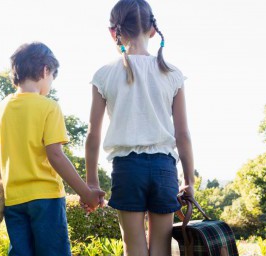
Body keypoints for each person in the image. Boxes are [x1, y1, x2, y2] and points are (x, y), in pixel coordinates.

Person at [84, 0, 196, 255]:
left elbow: (93, 134)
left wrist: (91, 181)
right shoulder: (173, 74)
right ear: (152, 30)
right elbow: (183, 134)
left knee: (133, 247)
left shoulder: (103, 75)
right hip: (164, 169)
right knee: (161, 248)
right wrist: (188, 180)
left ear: (114, 32)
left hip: (127, 169)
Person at [0, 42, 105, 256]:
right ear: (45, 70)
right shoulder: (49, 107)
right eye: (52, 78)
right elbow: (56, 156)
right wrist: (86, 193)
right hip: (46, 199)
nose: (50, 83)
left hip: (13, 200)